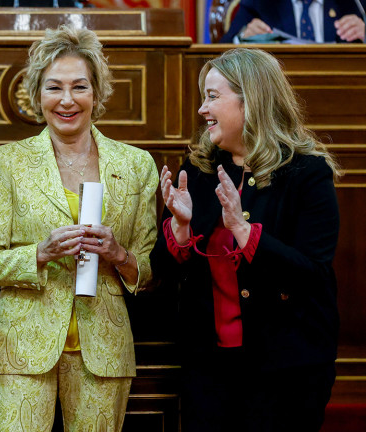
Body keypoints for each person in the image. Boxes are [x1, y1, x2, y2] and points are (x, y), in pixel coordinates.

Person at [0, 25, 158, 431]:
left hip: (104, 351)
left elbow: (146, 273)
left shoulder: (136, 165)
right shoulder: (8, 161)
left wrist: (119, 255)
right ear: (38, 94)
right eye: (55, 87)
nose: (67, 100)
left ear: (97, 93)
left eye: (80, 87)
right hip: (19, 347)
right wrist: (40, 252)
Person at [150, 47, 340, 432]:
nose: (203, 109)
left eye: (213, 96)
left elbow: (311, 274)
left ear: (251, 99)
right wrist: (181, 228)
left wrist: (242, 230)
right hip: (208, 365)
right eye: (204, 97)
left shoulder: (307, 173)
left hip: (287, 367)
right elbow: (161, 272)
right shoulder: (199, 169)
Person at [221, 0, 365, 43]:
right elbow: (221, 51)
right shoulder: (260, 3)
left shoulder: (353, 3)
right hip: (275, 95)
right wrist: (242, 39)